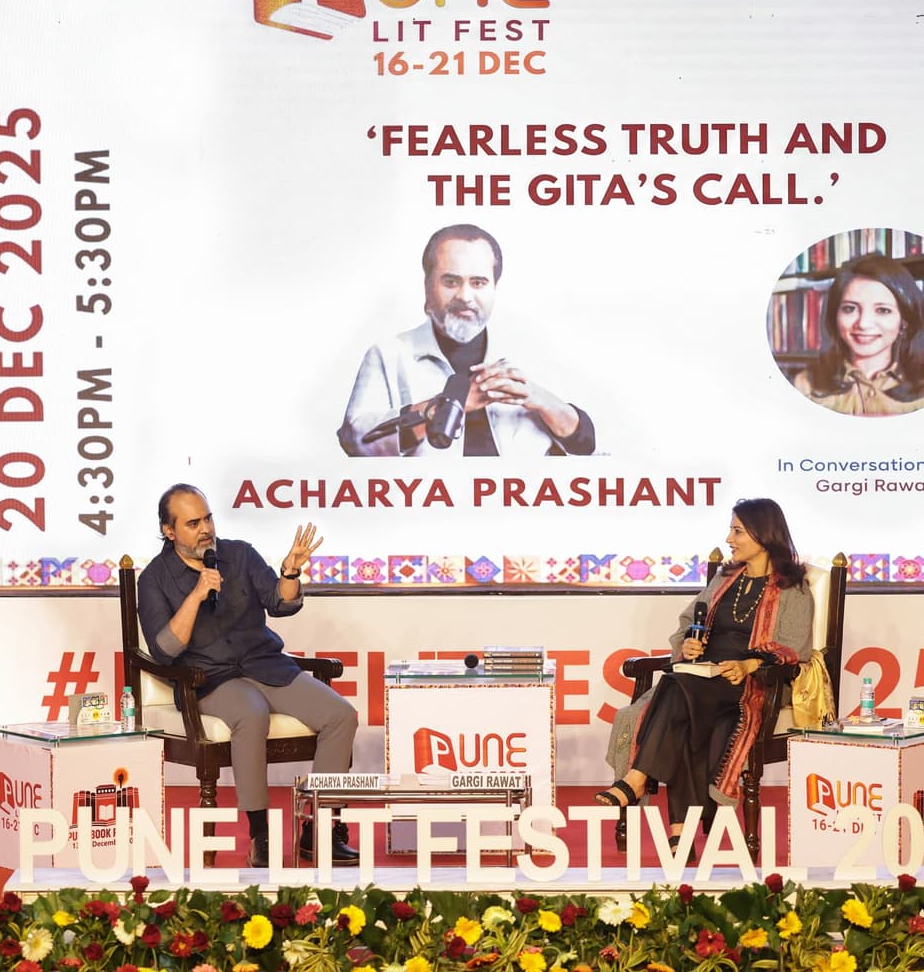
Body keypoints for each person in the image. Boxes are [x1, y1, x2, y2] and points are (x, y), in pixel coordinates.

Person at [137, 483, 359, 867]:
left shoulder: (238, 555)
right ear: (169, 531)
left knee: (341, 715)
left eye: (207, 518)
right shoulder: (154, 578)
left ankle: (319, 829)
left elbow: (281, 603)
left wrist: (290, 571)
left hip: (266, 665)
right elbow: (165, 650)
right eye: (193, 523)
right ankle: (261, 835)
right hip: (210, 679)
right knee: (251, 713)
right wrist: (196, 595)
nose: (205, 528)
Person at [598, 499, 814, 854]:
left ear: (763, 534)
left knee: (673, 686)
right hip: (700, 674)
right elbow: (688, 622)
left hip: (745, 683)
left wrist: (748, 665)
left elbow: (794, 648)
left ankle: (640, 781)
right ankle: (679, 834)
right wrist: (690, 646)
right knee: (682, 697)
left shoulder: (793, 587)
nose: (729, 538)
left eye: (737, 531)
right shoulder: (726, 577)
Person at [338, 223, 597, 456]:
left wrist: (539, 399)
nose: (465, 295)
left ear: (494, 288)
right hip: (430, 504)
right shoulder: (389, 354)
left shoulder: (532, 352)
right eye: (450, 282)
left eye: (478, 282)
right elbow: (355, 441)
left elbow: (585, 445)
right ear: (427, 287)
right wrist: (445, 407)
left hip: (519, 504)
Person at [792, 254, 924, 416]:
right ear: (834, 316)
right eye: (850, 308)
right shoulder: (805, 385)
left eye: (883, 310)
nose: (863, 323)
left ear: (904, 321)